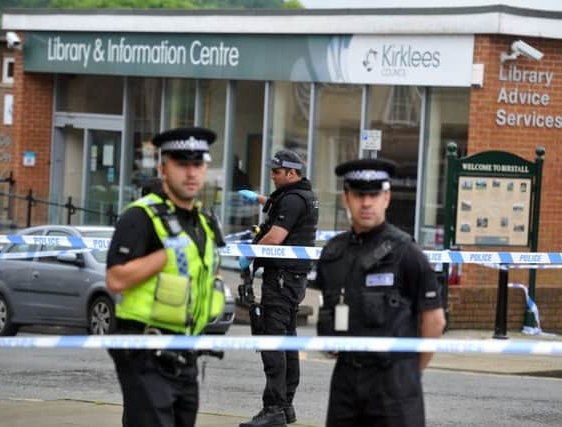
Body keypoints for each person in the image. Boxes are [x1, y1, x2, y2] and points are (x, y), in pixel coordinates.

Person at [106, 127, 226, 427]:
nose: (190, 173)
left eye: (197, 164)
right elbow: (116, 278)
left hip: (186, 353)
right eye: (181, 164)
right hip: (146, 351)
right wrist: (163, 258)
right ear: (163, 169)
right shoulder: (141, 216)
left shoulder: (203, 221)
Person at [315, 158, 446, 427]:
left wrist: (410, 372)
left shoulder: (406, 252)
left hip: (394, 384)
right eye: (359, 194)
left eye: (373, 194)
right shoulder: (333, 253)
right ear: (346, 199)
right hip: (346, 382)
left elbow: (434, 320)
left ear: (386, 197)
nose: (366, 203)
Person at [238, 149, 319, 427]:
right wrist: (259, 199)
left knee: (273, 341)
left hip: (281, 279)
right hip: (291, 279)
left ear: (292, 173)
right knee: (287, 340)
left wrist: (248, 255)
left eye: (276, 171)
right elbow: (278, 206)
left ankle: (274, 408)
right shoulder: (300, 195)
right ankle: (285, 407)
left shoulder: (294, 199)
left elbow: (275, 236)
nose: (272, 175)